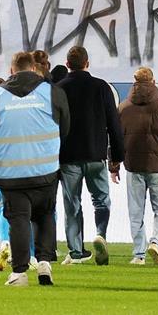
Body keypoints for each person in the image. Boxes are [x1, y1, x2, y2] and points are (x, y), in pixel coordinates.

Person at [0, 51, 70, 287]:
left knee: (18, 220)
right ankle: (45, 264)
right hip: (45, 170)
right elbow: (66, 128)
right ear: (34, 69)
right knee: (45, 215)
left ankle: (19, 273)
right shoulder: (53, 92)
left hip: (11, 173)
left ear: (11, 71)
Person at [56, 46, 123, 265]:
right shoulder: (101, 87)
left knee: (72, 204)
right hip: (96, 155)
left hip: (68, 156)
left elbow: (53, 124)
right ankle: (100, 234)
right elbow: (114, 122)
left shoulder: (59, 89)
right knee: (101, 200)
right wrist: (117, 155)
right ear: (87, 63)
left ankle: (76, 251)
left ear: (67, 65)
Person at [113, 67, 158, 266]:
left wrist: (114, 166)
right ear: (153, 81)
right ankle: (157, 242)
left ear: (134, 82)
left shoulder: (123, 108)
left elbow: (115, 139)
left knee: (135, 211)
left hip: (133, 166)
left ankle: (139, 254)